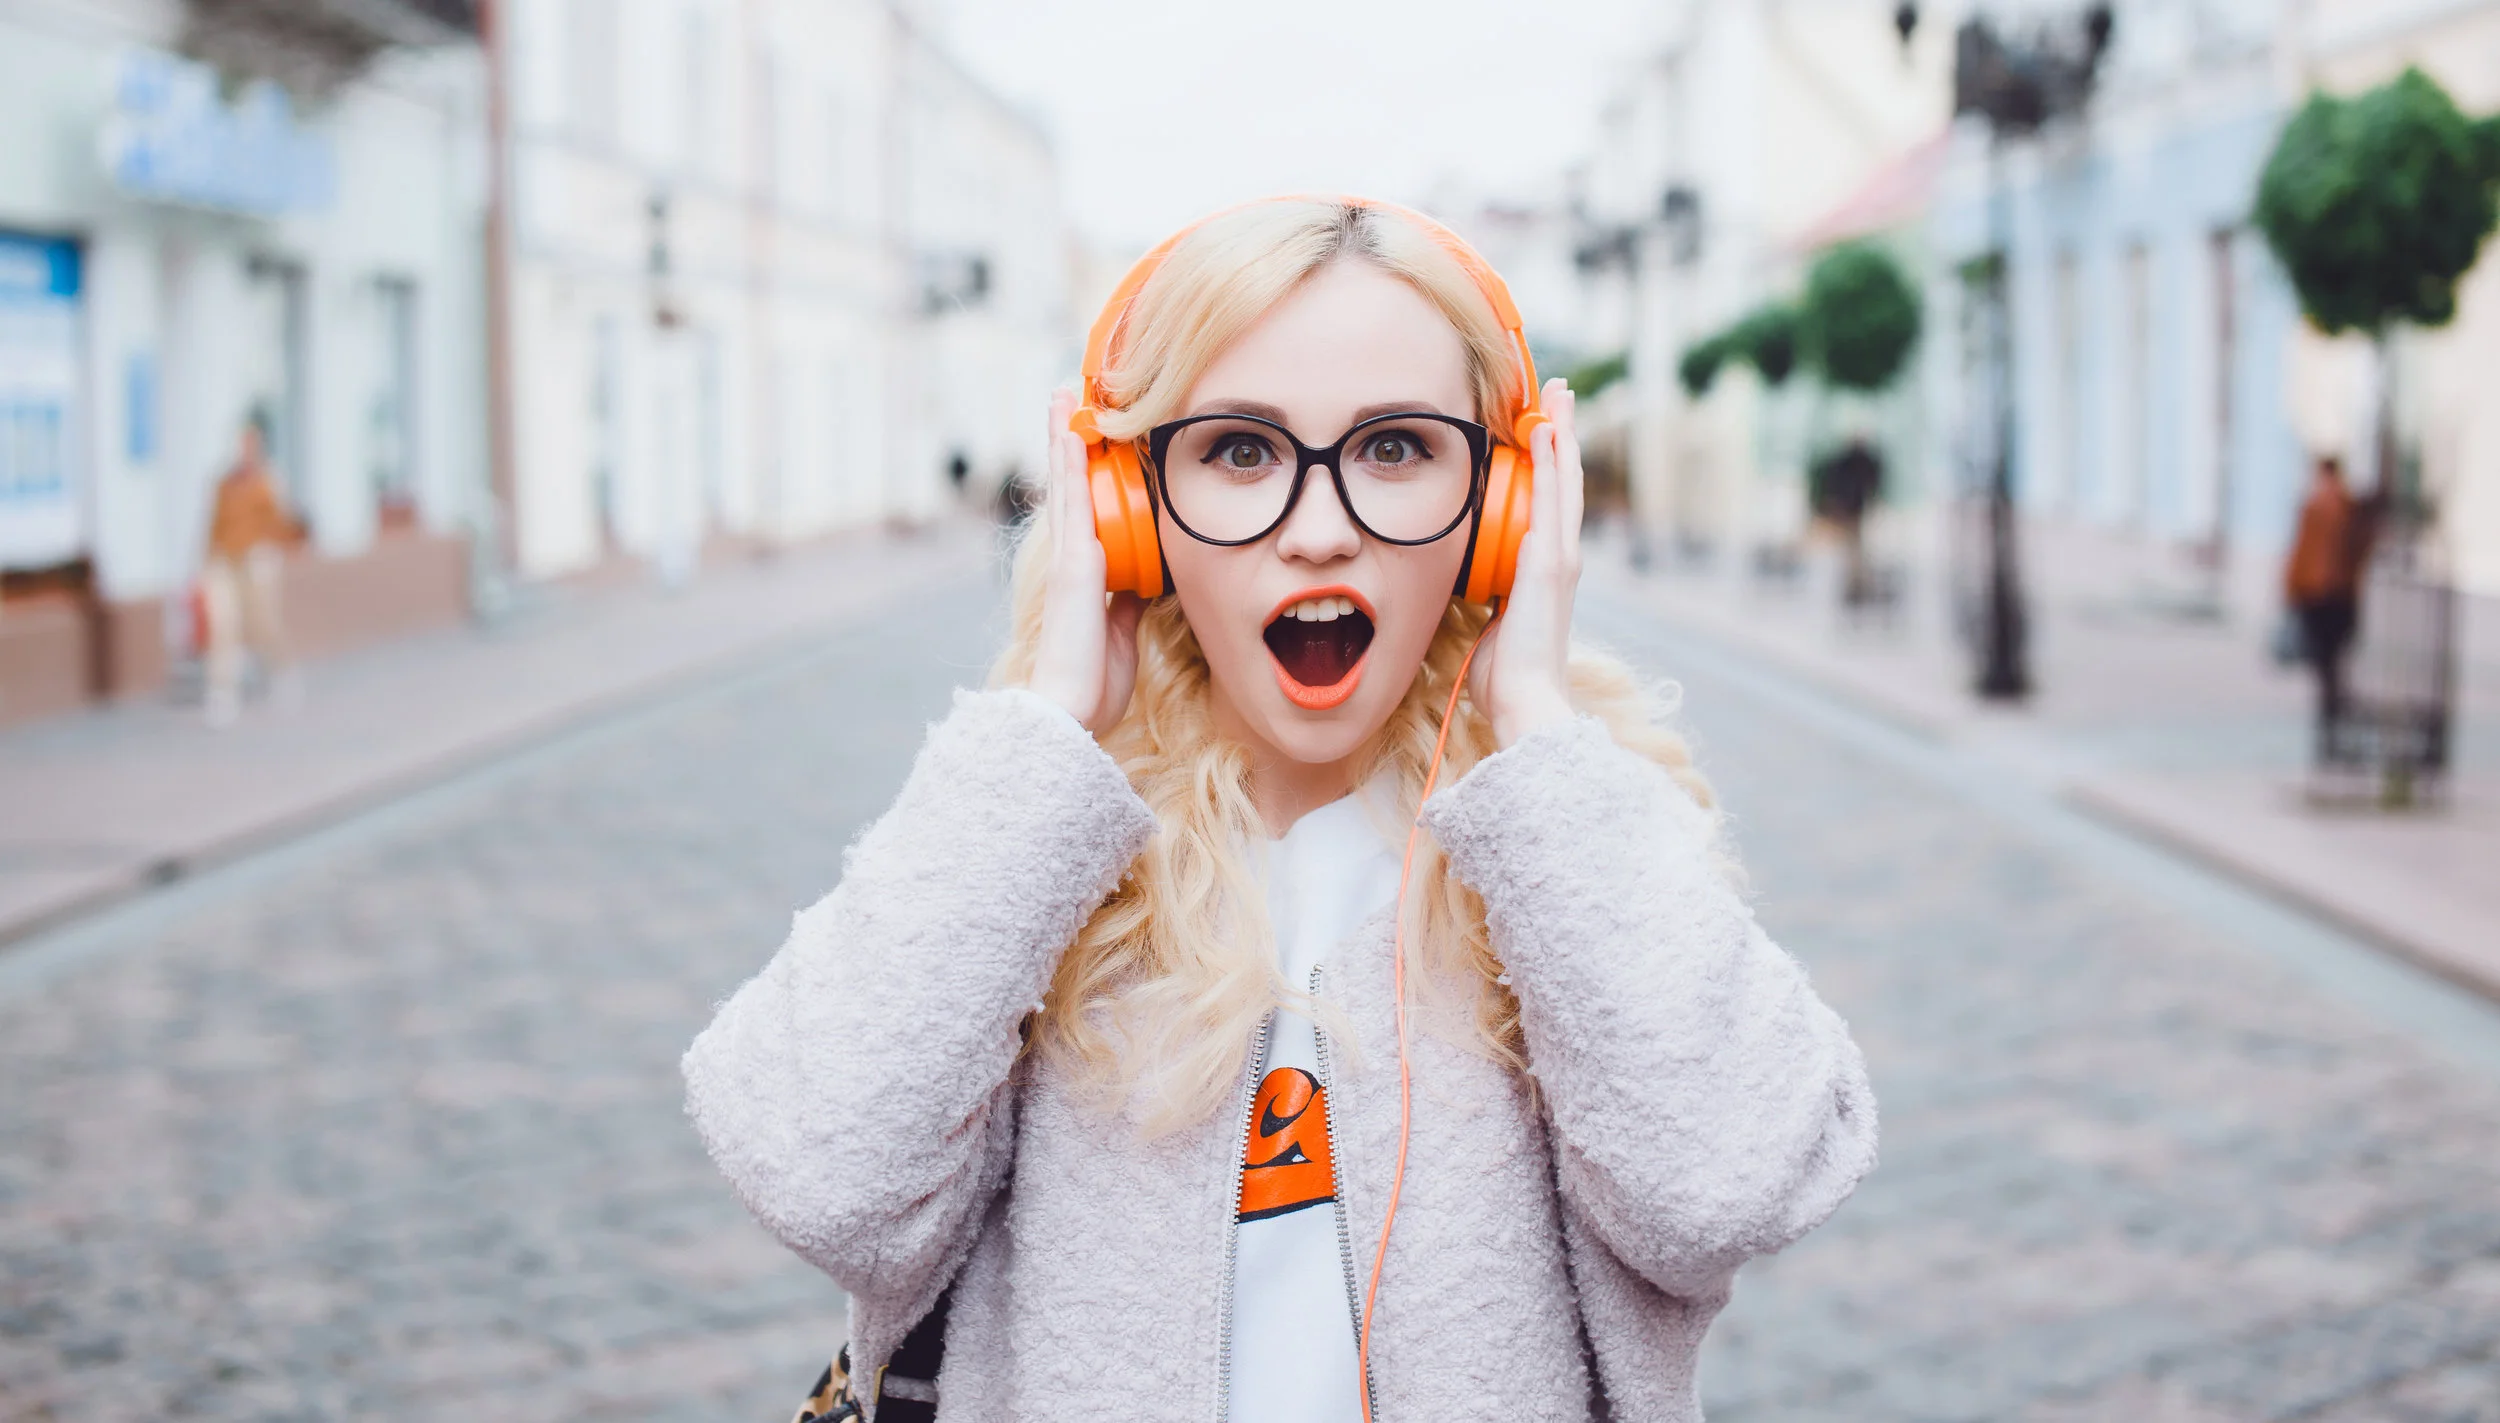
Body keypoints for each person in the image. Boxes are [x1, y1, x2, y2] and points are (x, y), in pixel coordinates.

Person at [683, 199, 1875, 1421]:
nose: (1318, 531)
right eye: (1241, 451)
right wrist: (1041, 737)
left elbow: (1730, 1188)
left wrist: (1542, 736)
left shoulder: (1566, 849)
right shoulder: (1029, 852)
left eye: (1397, 449)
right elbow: (819, 1171)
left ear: (1500, 509)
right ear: (1130, 511)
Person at [201, 415, 301, 727]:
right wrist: (206, 561)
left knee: (263, 622)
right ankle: (222, 693)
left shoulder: (267, 481)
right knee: (224, 624)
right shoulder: (224, 484)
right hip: (225, 561)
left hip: (257, 559)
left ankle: (281, 670)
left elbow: (280, 523)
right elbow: (214, 525)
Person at [2284, 454, 2365, 738]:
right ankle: (2333, 707)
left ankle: (2331, 711)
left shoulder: (2318, 504)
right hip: (2342, 593)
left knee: (2324, 659)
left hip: (2319, 593)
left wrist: (2291, 587)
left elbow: (2303, 551)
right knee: (2333, 660)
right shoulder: (2348, 504)